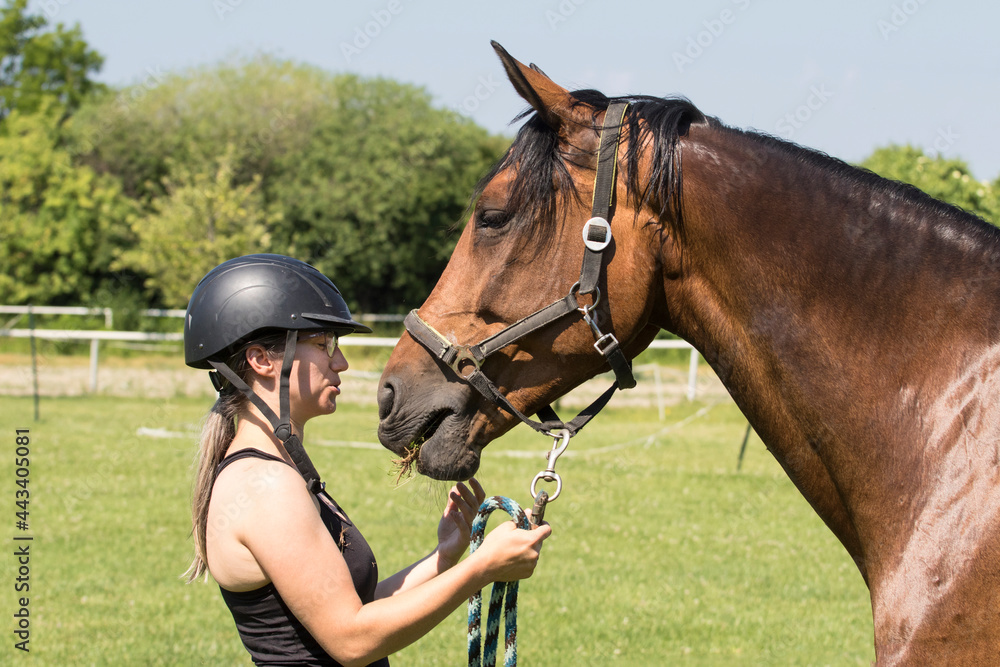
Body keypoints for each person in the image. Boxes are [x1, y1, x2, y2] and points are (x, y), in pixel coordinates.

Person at [182, 254, 551, 667]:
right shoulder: (265, 486)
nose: (340, 362)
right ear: (262, 360)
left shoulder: (277, 471)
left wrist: (444, 558)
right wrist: (481, 569)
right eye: (324, 346)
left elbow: (357, 606)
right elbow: (352, 640)